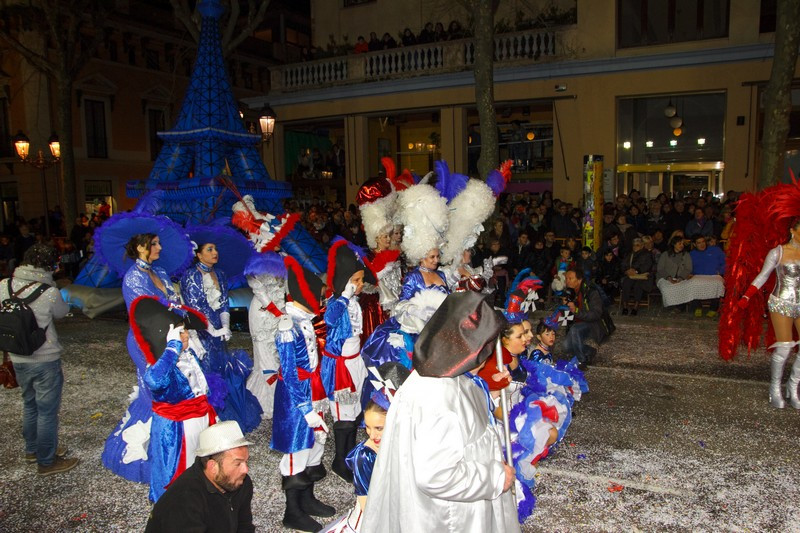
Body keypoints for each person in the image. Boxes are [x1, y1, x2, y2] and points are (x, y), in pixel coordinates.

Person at [360, 291, 519, 533]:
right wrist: (495, 477)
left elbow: (467, 425)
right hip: (452, 516)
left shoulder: (441, 372)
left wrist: (490, 392)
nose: (485, 360)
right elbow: (437, 476)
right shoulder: (439, 399)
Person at [99, 218, 194, 484]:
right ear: (141, 246)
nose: (160, 248)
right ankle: (156, 458)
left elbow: (174, 303)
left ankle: (177, 448)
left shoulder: (160, 272)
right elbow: (147, 315)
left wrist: (185, 325)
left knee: (178, 389)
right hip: (147, 342)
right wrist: (176, 331)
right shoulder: (133, 278)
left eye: (159, 243)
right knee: (156, 393)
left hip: (172, 338)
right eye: (154, 243)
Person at [132, 295, 217, 503]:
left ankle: (198, 501)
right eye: (179, 332)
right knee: (178, 472)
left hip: (199, 420)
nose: (185, 335)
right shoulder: (160, 367)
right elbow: (154, 381)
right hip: (177, 430)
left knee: (200, 465)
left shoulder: (188, 355)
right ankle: (177, 508)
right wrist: (172, 348)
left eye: (185, 330)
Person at [1, 243, 76, 475]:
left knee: (29, 404)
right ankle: (47, 461)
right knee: (47, 411)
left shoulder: (4, 285)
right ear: (49, 265)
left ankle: (33, 449)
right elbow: (61, 313)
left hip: (17, 356)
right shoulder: (49, 292)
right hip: (45, 358)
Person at [273, 256, 335, 531]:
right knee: (297, 449)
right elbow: (289, 374)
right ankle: (293, 511)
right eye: (318, 297)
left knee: (315, 444)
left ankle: (307, 499)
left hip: (313, 390)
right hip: (296, 397)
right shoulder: (288, 328)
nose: (321, 302)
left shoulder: (306, 320)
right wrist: (305, 408)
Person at [181, 228, 263, 433]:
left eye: (216, 249)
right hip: (200, 333)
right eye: (209, 249)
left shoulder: (220, 274)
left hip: (218, 331)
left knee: (221, 368)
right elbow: (195, 308)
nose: (215, 252)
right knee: (205, 370)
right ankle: (209, 419)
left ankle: (225, 415)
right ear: (198, 254)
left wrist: (225, 325)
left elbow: (224, 302)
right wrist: (212, 330)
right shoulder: (191, 276)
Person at [319, 363, 411, 533]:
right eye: (367, 427)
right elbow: (366, 504)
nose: (371, 434)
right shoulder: (365, 456)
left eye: (379, 428)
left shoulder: (405, 441)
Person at [322, 239, 377, 483]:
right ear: (344, 281)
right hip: (341, 369)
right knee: (343, 414)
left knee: (354, 412)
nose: (360, 284)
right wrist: (344, 295)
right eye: (355, 280)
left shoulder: (354, 302)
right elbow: (330, 319)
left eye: (361, 279)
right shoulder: (338, 302)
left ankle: (349, 455)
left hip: (354, 363)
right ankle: (339, 460)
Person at [144, 421, 254, 533]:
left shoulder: (239, 482)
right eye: (238, 463)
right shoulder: (184, 501)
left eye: (246, 461)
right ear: (213, 466)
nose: (245, 469)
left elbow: (244, 525)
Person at [562, 268, 612, 369]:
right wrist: (565, 307)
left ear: (579, 280)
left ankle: (582, 361)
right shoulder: (569, 292)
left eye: (570, 278)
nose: (567, 281)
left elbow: (596, 314)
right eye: (566, 278)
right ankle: (590, 351)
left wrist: (576, 310)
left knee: (575, 329)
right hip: (578, 323)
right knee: (566, 347)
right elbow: (567, 317)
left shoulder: (591, 292)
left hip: (594, 324)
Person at [688, 235, 725, 317]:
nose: (702, 244)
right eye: (699, 243)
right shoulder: (691, 254)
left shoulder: (716, 250)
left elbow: (725, 262)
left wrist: (721, 271)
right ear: (694, 244)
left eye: (703, 242)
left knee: (718, 284)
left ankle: (713, 308)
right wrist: (689, 273)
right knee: (692, 283)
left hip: (714, 275)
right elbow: (688, 267)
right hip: (698, 276)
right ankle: (697, 307)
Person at [619, 237, 654, 316]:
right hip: (631, 275)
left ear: (642, 246)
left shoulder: (647, 254)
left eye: (637, 245)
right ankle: (625, 306)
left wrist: (636, 271)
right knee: (626, 283)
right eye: (634, 245)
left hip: (642, 276)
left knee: (638, 285)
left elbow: (647, 266)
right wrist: (626, 271)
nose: (635, 247)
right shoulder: (630, 254)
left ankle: (635, 307)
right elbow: (623, 264)